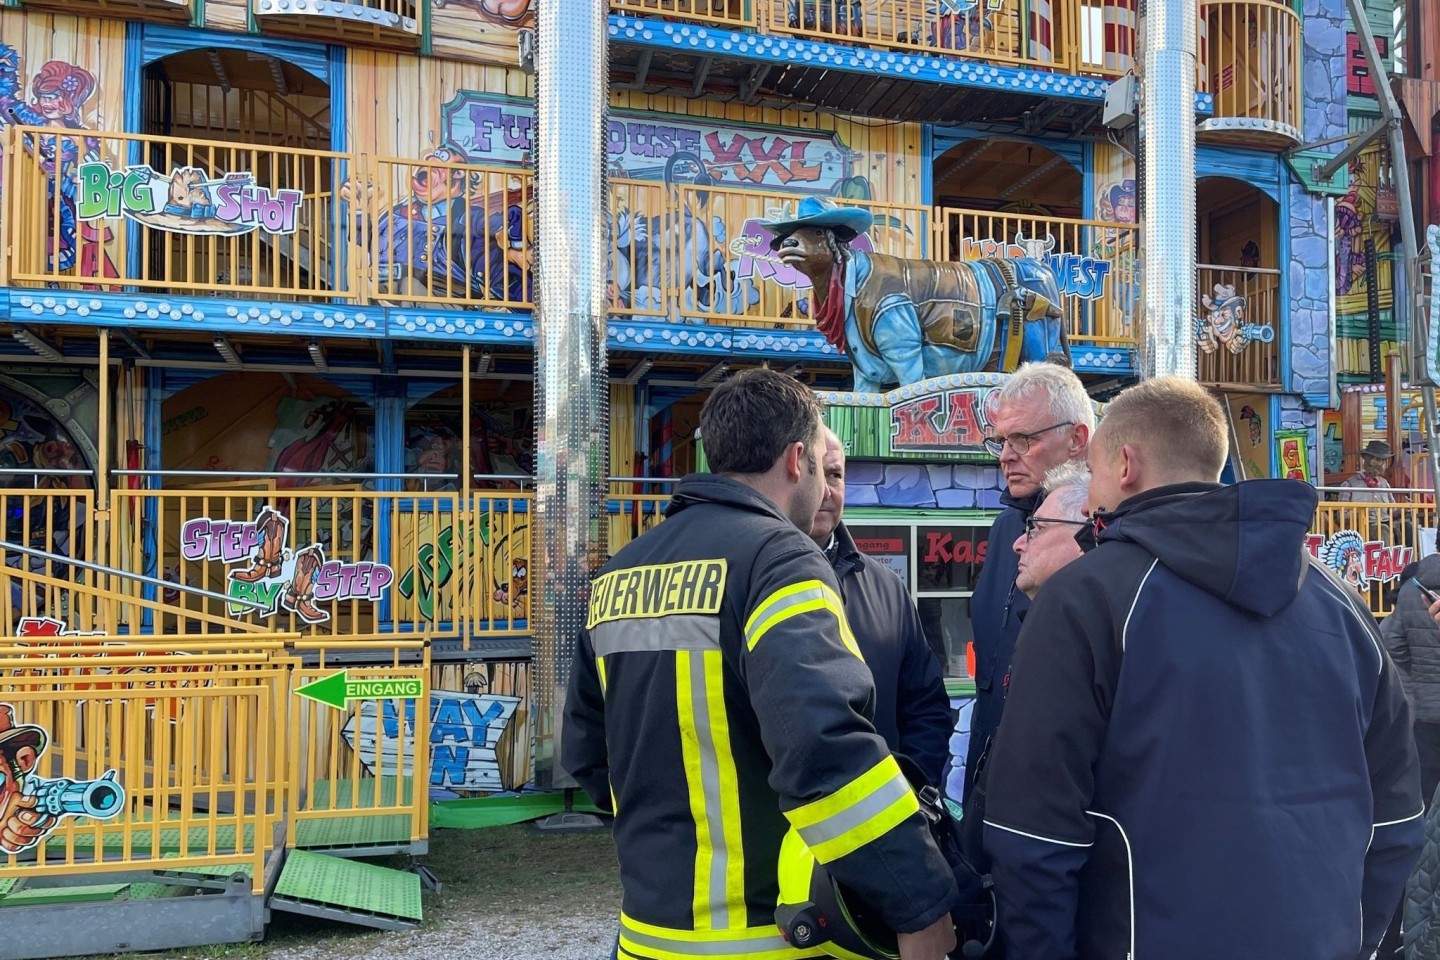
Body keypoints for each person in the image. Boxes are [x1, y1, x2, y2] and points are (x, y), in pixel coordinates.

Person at [981, 376, 1424, 960]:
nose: (1088, 500)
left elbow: (1032, 830)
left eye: (1092, 471)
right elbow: (1396, 819)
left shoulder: (1087, 597)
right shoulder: (1343, 605)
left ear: (1126, 464)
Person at [562, 368, 959, 960]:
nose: (826, 488)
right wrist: (919, 903)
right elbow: (824, 748)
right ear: (797, 459)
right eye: (823, 466)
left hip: (647, 937)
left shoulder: (620, 571)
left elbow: (588, 758)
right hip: (771, 937)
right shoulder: (779, 558)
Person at [962, 362, 1092, 804]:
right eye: (1001, 441)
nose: (1005, 456)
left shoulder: (1106, 535)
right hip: (990, 790)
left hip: (1058, 804)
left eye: (1024, 439)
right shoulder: (1005, 531)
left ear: (1078, 439)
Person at [811, 426, 952, 788]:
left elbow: (926, 707)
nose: (827, 491)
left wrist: (912, 790)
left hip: (877, 827)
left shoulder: (888, 588)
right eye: (815, 472)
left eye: (836, 474)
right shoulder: (748, 577)